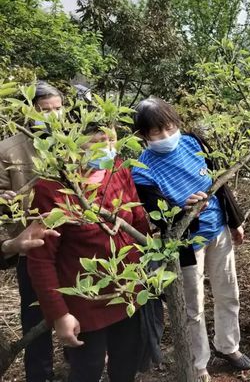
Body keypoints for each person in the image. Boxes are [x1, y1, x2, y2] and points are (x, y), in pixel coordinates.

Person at [130, 97, 250, 381]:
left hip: (217, 230)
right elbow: (157, 215)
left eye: (169, 128)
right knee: (191, 307)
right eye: (156, 133)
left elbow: (218, 182)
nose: (166, 137)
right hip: (185, 244)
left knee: (227, 293)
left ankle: (228, 346)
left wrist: (235, 221)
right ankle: (199, 364)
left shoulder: (193, 143)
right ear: (144, 136)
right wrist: (182, 207)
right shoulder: (142, 169)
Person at [28, 123, 151, 381]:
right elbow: (41, 259)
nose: (106, 149)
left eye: (111, 141)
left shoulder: (117, 168)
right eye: (96, 142)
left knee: (127, 362)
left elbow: (137, 220)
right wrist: (60, 315)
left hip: (126, 290)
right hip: (86, 300)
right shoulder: (52, 188)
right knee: (88, 368)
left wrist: (145, 272)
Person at [0, 81, 63, 382]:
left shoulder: (73, 143)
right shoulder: (8, 150)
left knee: (78, 304)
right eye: (44, 110)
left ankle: (78, 365)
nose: (52, 116)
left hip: (70, 241)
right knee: (35, 314)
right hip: (33, 242)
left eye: (58, 109)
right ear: (29, 112)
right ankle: (40, 374)